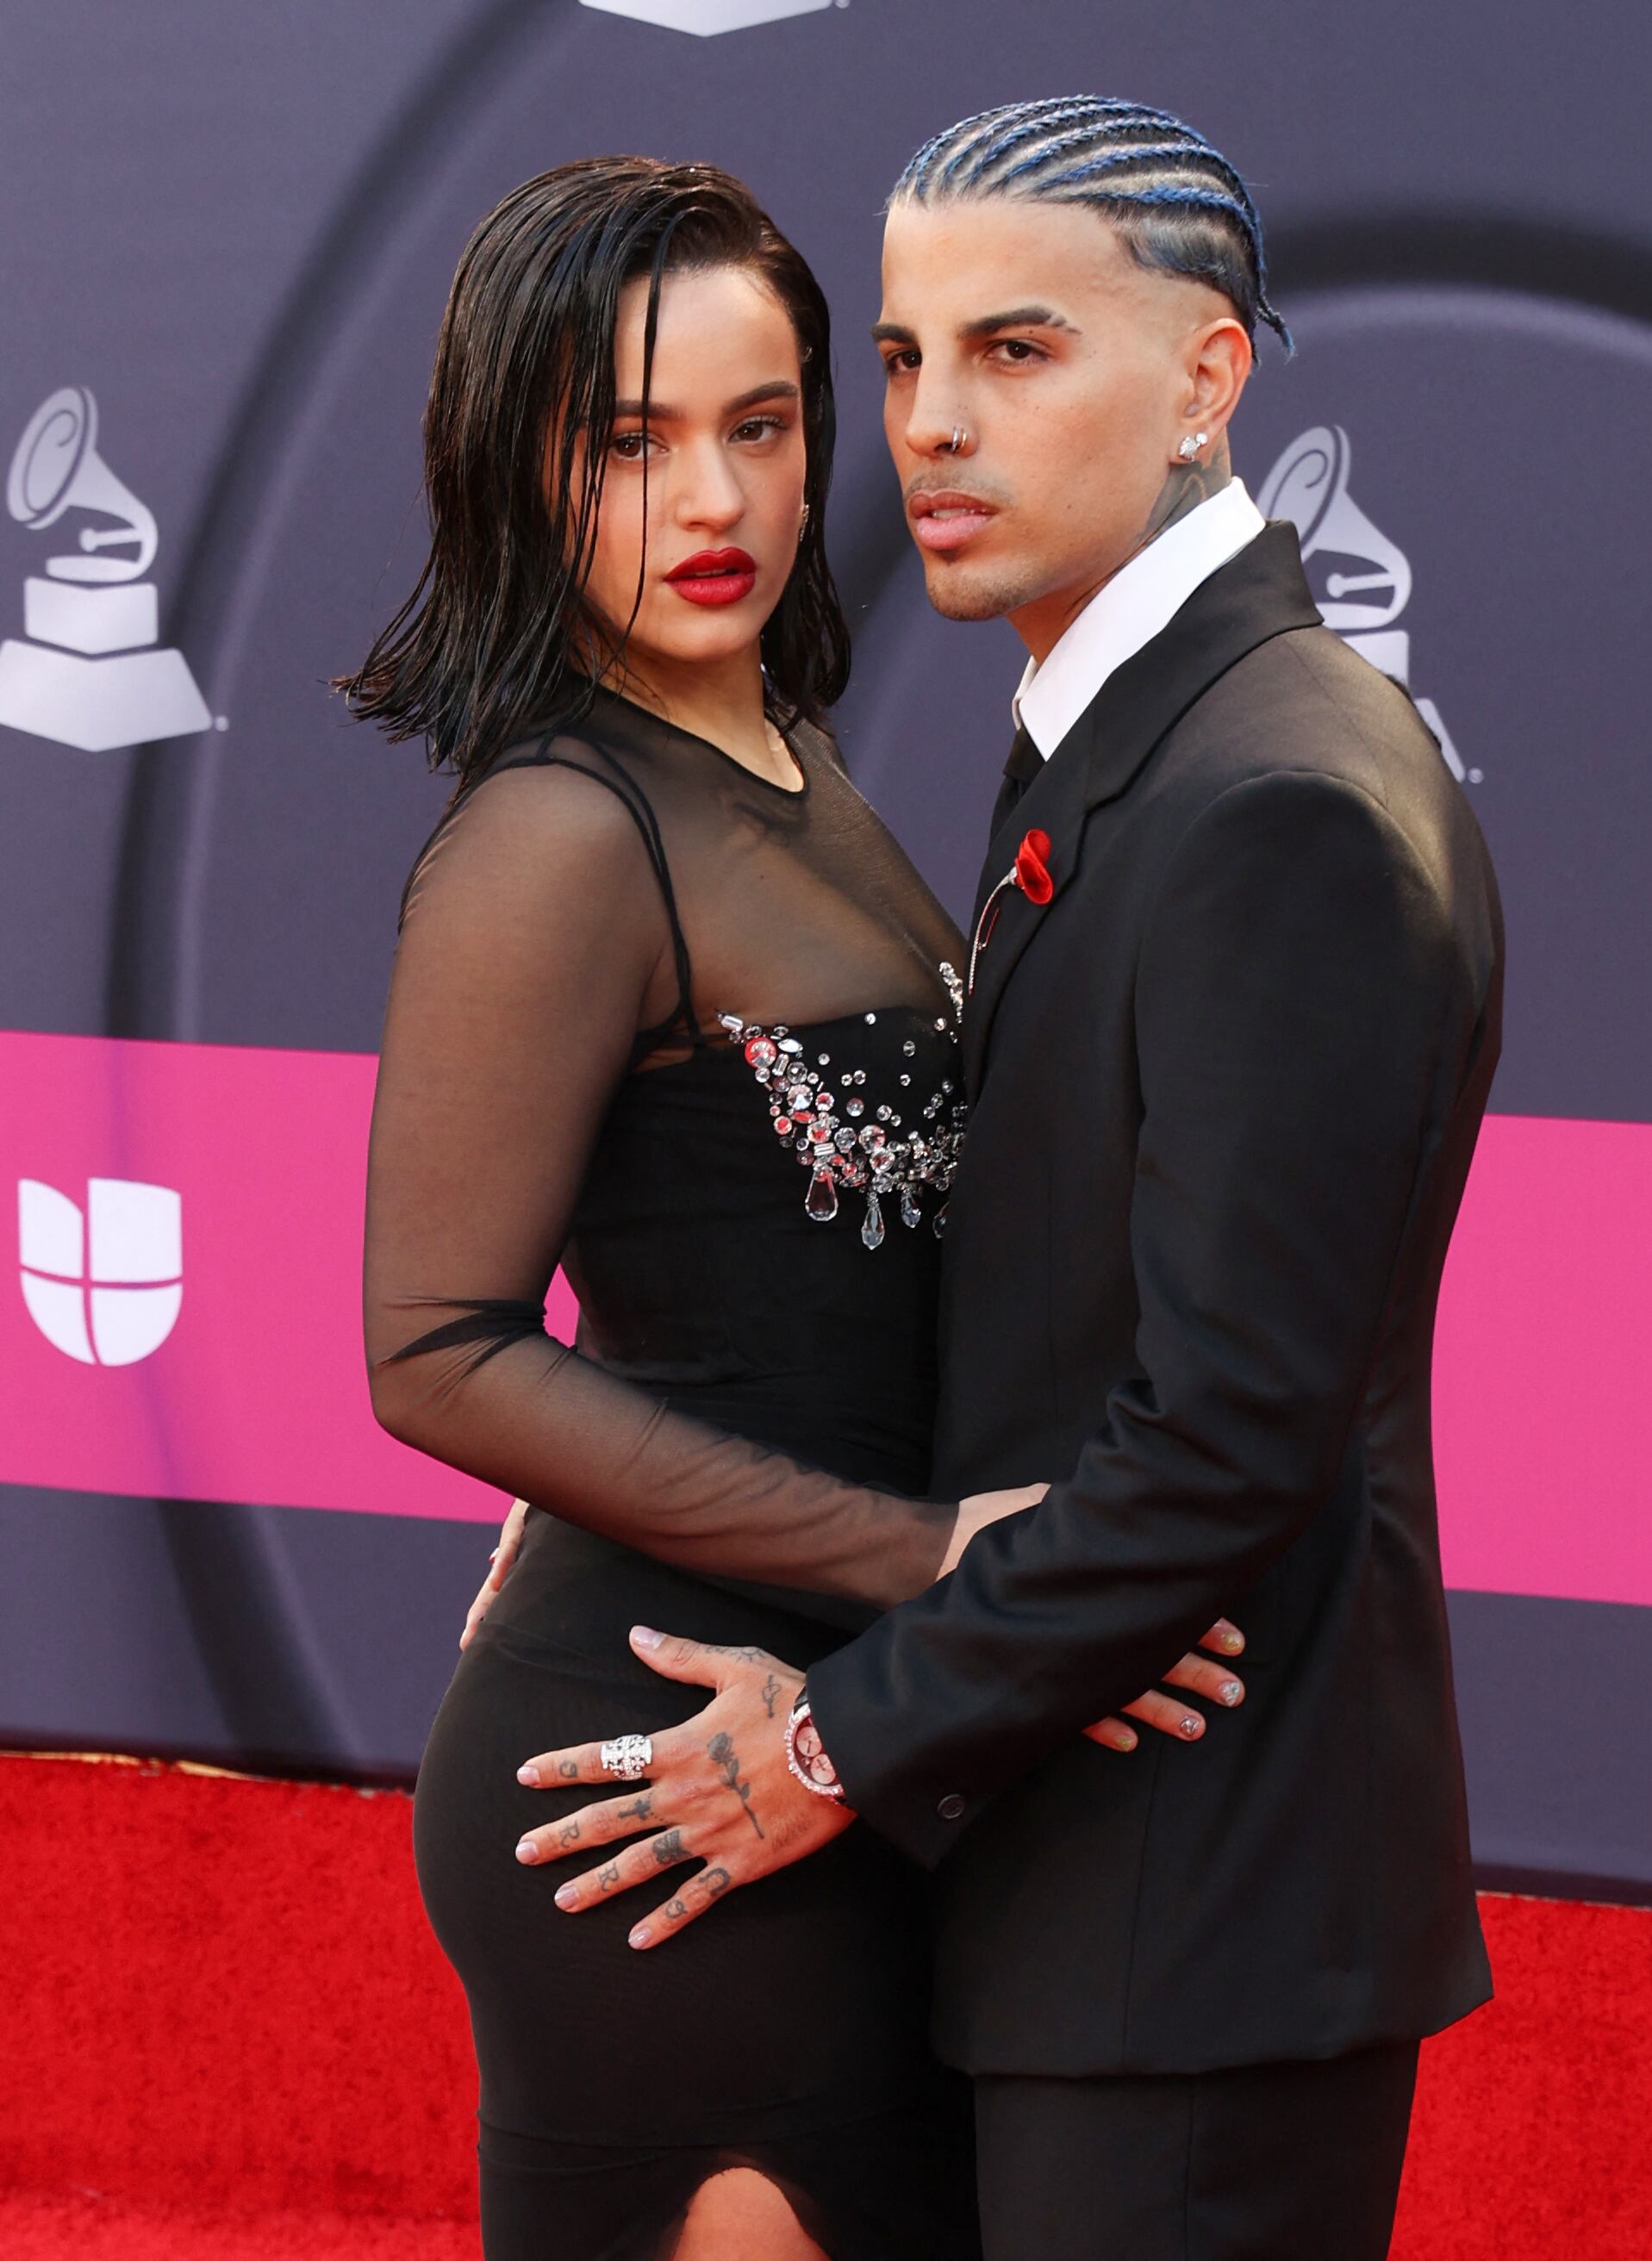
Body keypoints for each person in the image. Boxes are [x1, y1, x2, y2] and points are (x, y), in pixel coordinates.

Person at [523, 100, 1504, 2261]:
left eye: (1017, 352)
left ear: (1208, 378)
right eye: (895, 361)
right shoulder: (1117, 730)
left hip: (1195, 1917)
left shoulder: (1274, 801)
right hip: (1095, 1884)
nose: (930, 428)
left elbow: (1225, 1432)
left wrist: (823, 1748)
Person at [345, 155, 1245, 2261]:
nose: (714, 500)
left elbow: (746, 1256)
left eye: (759, 425)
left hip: (848, 1747)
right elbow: (431, 1347)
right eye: (631, 442)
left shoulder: (779, 749)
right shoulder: (556, 834)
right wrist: (935, 1558)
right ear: (513, 462)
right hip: (653, 1782)